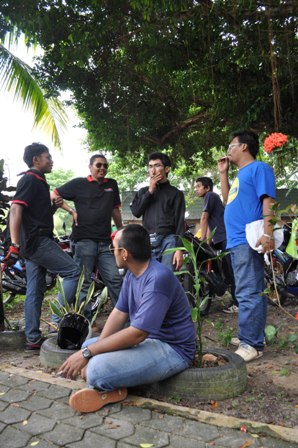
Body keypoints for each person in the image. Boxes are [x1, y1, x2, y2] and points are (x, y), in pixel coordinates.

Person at [59, 224, 196, 413]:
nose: (112, 252)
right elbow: (119, 312)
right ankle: (116, 379)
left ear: (124, 253)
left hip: (172, 349)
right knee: (87, 346)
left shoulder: (157, 278)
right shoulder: (133, 273)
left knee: (95, 370)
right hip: (149, 341)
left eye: (113, 248)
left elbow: (137, 334)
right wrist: (93, 350)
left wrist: (89, 355)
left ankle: (112, 390)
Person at [3, 143, 81, 351]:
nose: (51, 160)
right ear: (36, 159)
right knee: (74, 270)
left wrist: (52, 210)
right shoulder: (29, 179)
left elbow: (36, 216)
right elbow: (16, 209)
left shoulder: (40, 182)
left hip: (33, 243)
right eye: (48, 157)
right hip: (37, 243)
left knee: (35, 291)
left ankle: (33, 338)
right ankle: (57, 320)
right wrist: (14, 244)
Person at [218, 130, 276, 362]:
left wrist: (268, 233)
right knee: (249, 289)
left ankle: (251, 343)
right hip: (236, 241)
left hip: (247, 239)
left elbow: (268, 200)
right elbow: (226, 200)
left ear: (244, 147)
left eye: (231, 145)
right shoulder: (239, 176)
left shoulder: (259, 168)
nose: (228, 149)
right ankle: (251, 336)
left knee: (247, 290)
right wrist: (223, 174)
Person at [52, 154, 123, 320]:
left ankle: (125, 319)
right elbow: (54, 195)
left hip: (105, 242)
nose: (102, 169)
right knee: (84, 284)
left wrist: (121, 230)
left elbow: (115, 210)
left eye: (105, 166)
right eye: (98, 165)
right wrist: (71, 211)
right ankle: (86, 322)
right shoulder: (79, 184)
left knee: (114, 279)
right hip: (84, 241)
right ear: (90, 167)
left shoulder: (112, 184)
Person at [130, 152, 185, 271]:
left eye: (157, 165)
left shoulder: (176, 194)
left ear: (167, 169)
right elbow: (136, 211)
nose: (153, 170)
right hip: (147, 241)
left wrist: (179, 249)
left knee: (165, 277)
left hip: (168, 240)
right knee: (148, 277)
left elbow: (180, 223)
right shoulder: (143, 191)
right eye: (150, 166)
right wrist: (150, 191)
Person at [195, 176, 237, 313]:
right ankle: (233, 298)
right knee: (225, 269)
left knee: (230, 270)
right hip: (219, 238)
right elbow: (210, 221)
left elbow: (204, 218)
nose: (196, 189)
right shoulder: (211, 198)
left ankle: (238, 303)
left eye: (198, 186)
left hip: (224, 237)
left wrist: (202, 240)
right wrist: (209, 240)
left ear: (207, 188)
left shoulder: (210, 196)